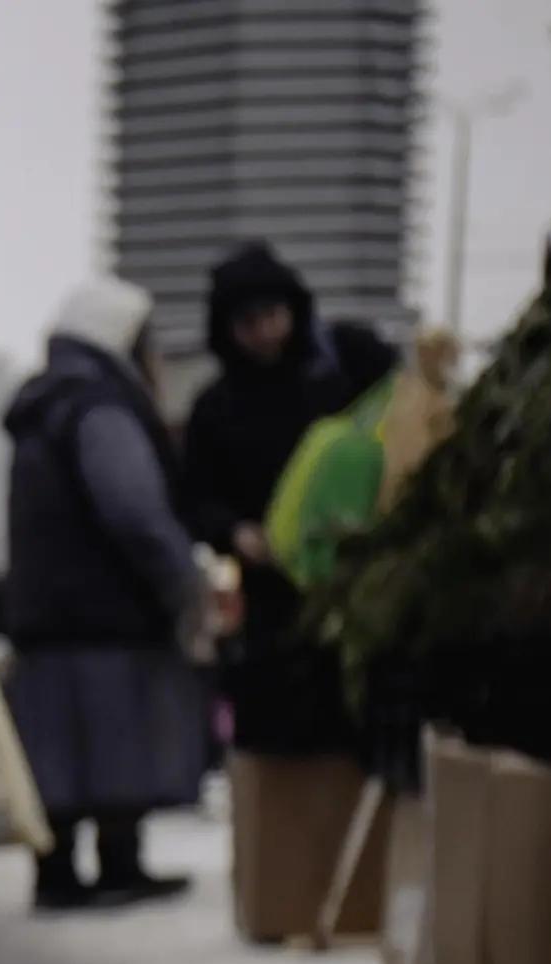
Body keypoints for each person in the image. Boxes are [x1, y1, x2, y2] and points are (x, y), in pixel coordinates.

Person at [2, 276, 211, 911]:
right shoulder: (101, 408)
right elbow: (134, 509)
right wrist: (183, 579)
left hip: (47, 614)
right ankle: (119, 864)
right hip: (107, 614)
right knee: (117, 739)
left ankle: (57, 870)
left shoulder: (45, 407)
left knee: (58, 751)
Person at [178, 243, 357, 759]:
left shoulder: (332, 384)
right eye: (248, 322)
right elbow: (194, 498)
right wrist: (235, 532)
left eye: (272, 316)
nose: (263, 333)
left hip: (340, 587)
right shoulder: (215, 407)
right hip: (264, 603)